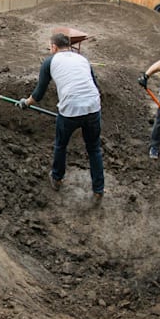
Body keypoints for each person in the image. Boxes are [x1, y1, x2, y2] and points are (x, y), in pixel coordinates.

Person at [18, 31, 104, 199]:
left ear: (54, 47)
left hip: (70, 109)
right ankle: (98, 190)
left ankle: (57, 178)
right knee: (94, 149)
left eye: (50, 47)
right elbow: (94, 84)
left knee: (61, 145)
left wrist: (25, 102)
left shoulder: (50, 61)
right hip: (93, 107)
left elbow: (39, 93)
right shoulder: (82, 59)